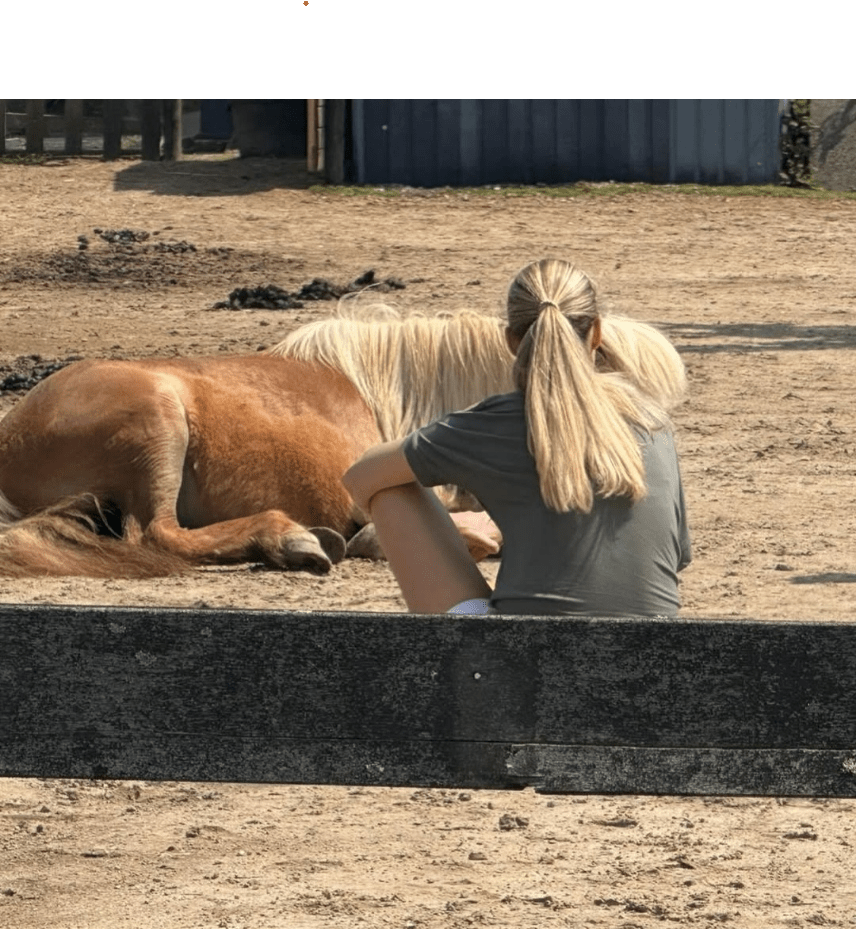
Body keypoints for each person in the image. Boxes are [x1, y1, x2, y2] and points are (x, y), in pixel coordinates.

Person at [342, 258, 691, 616]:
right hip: (655, 648)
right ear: (598, 332)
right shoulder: (653, 422)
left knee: (391, 486)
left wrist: (449, 527)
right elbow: (674, 558)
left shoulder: (493, 422)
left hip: (515, 651)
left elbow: (359, 476)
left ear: (510, 341)